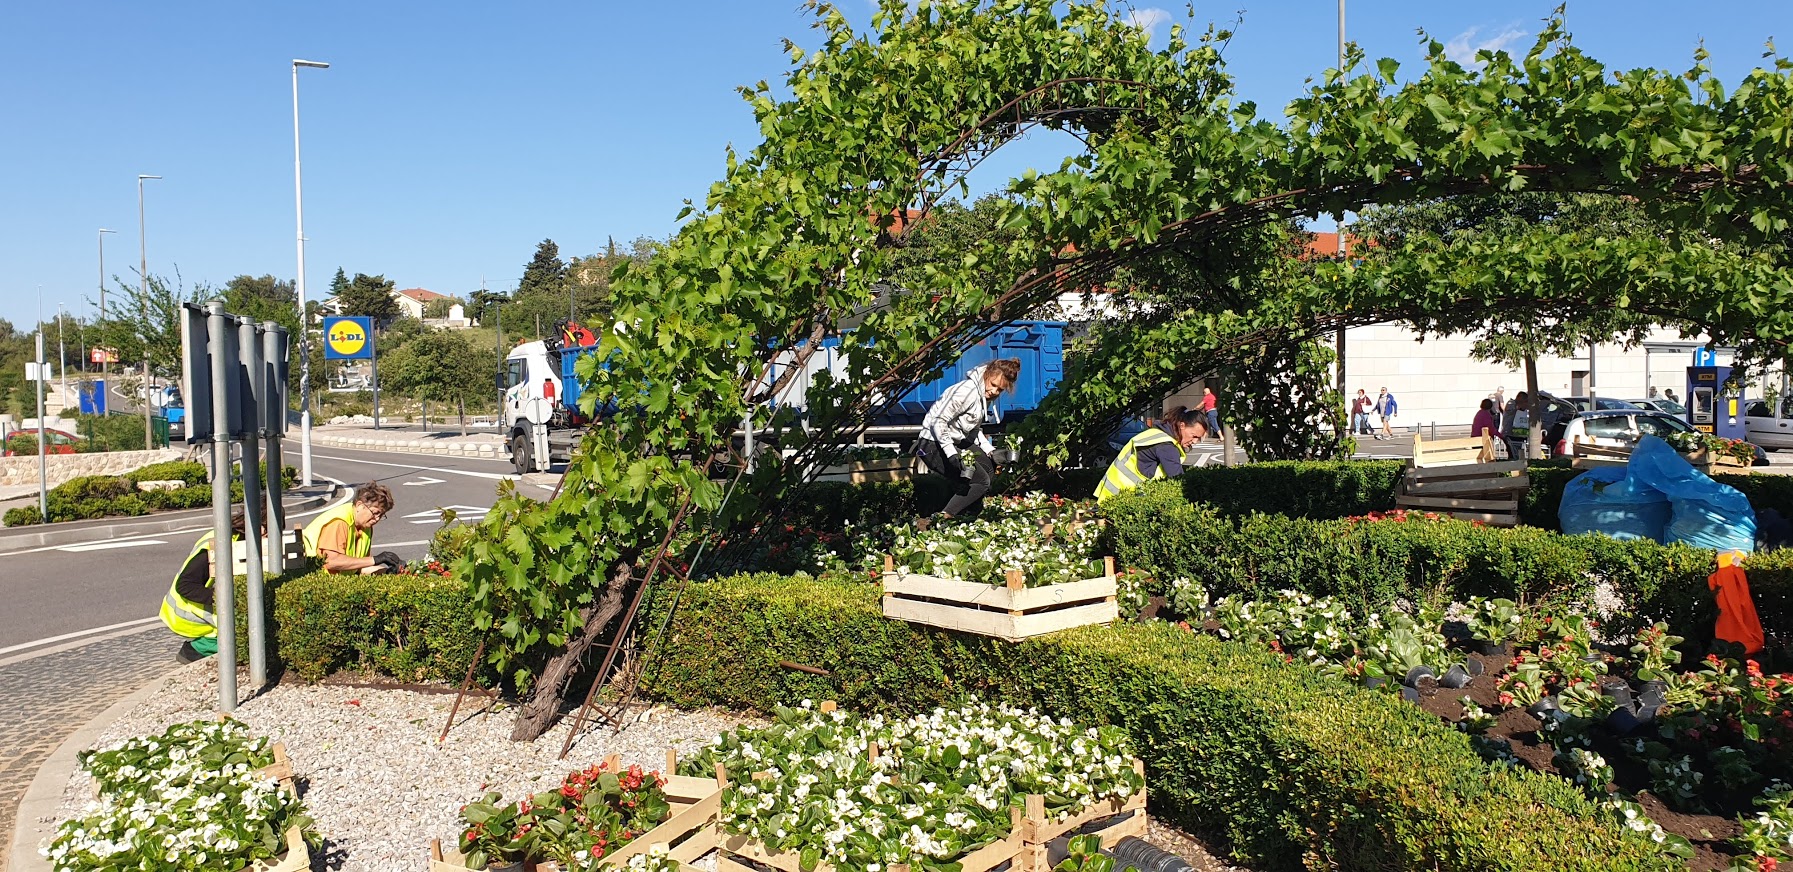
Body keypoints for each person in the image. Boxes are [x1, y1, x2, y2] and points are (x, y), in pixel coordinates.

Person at [915, 359, 1021, 525]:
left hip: (955, 441)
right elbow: (938, 422)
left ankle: (968, 515)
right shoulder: (966, 392)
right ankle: (941, 520)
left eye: (1000, 389)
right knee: (980, 481)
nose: (994, 391)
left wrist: (990, 451)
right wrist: (952, 454)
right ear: (986, 374)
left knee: (988, 466)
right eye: (993, 385)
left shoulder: (982, 395)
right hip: (932, 443)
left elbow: (974, 429)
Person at [159, 512, 260, 663]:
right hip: (188, 612)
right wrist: (225, 599)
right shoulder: (221, 545)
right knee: (240, 637)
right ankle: (197, 649)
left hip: (203, 605)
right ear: (262, 527)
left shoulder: (238, 540)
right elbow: (185, 585)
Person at [1095, 406, 1208, 501]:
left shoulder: (1156, 433)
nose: (1195, 441)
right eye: (1194, 436)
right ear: (1182, 425)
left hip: (1110, 494)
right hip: (1121, 499)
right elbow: (1179, 482)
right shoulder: (1167, 447)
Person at [303, 482, 402, 574]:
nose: (377, 519)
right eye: (375, 513)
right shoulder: (339, 522)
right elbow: (330, 561)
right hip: (315, 578)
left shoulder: (365, 527)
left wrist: (388, 572)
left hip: (339, 581)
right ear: (360, 505)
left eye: (381, 515)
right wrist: (376, 559)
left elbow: (361, 566)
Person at [1501, 391, 1532, 459]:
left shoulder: (1521, 406)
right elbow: (1519, 407)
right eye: (1525, 400)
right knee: (1513, 453)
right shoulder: (1511, 404)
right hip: (1509, 433)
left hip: (1519, 434)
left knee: (1518, 453)